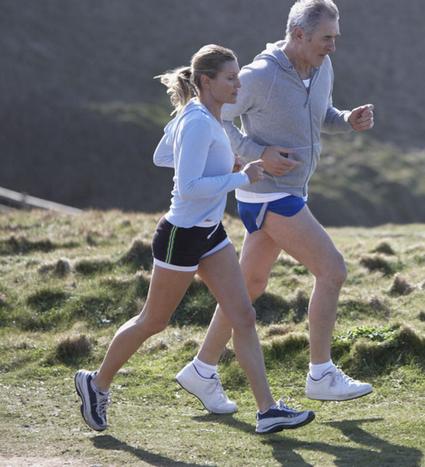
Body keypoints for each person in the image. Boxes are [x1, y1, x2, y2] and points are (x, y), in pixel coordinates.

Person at [74, 44, 315, 435]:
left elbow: (163, 155)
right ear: (206, 81)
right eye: (230, 78)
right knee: (154, 321)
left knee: (243, 315)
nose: (238, 85)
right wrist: (241, 175)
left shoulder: (207, 118)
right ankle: (96, 383)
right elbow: (187, 187)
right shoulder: (198, 121)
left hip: (210, 233)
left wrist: (218, 163)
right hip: (181, 237)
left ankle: (268, 411)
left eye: (238, 77)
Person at [174, 0, 376, 409]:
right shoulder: (260, 75)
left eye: (335, 37)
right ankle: (321, 373)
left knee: (249, 286)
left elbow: (320, 115)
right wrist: (258, 154)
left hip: (291, 190)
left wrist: (346, 119)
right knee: (332, 270)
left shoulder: (321, 67)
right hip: (268, 193)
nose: (333, 46)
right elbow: (215, 117)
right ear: (299, 35)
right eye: (326, 38)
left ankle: (201, 368)